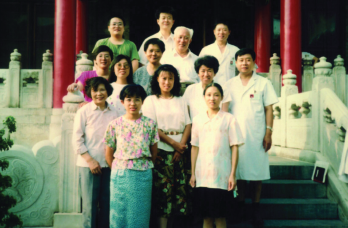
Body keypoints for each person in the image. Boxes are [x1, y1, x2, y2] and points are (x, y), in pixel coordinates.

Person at [222, 48, 278, 227]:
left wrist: (268, 131)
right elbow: (224, 109)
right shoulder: (229, 84)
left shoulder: (263, 83)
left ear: (254, 62)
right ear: (236, 63)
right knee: (238, 172)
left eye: (248, 60)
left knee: (256, 173)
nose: (244, 63)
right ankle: (239, 208)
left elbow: (269, 108)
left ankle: (255, 209)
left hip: (256, 134)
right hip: (235, 135)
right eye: (240, 60)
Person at [142, 64, 191, 228]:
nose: (167, 82)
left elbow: (188, 125)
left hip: (180, 151)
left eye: (171, 78)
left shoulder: (181, 100)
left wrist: (181, 146)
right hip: (161, 150)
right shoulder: (151, 100)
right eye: (164, 78)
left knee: (179, 192)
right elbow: (152, 126)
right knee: (163, 192)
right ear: (157, 79)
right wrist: (174, 144)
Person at [104, 84, 159, 228]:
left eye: (137, 99)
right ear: (122, 102)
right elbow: (109, 153)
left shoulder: (150, 124)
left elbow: (154, 151)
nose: (133, 103)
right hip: (120, 173)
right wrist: (119, 167)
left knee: (140, 213)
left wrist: (142, 164)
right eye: (129, 99)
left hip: (143, 173)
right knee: (119, 213)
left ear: (142, 101)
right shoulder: (115, 124)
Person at [190, 82, 243, 228]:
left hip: (222, 176)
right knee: (206, 217)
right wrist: (193, 173)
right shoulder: (198, 119)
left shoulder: (229, 119)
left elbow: (235, 147)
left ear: (221, 98)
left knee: (220, 217)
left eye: (216, 95)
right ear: (204, 97)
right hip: (203, 176)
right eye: (208, 95)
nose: (212, 98)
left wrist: (232, 174)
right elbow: (194, 147)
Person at [72, 77, 118, 228]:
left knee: (107, 204)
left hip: (110, 165)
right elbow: (77, 139)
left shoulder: (115, 112)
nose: (99, 93)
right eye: (95, 90)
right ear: (90, 93)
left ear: (108, 91)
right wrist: (90, 161)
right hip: (89, 165)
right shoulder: (84, 111)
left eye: (102, 89)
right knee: (89, 205)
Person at [199, 19, 239, 85]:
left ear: (229, 32)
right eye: (219, 30)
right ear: (214, 32)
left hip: (231, 87)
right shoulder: (206, 50)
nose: (221, 32)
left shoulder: (235, 50)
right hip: (211, 87)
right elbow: (199, 70)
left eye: (224, 30)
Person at [161, 26, 199, 95]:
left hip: (193, 93)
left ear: (190, 41)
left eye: (186, 38)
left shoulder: (197, 59)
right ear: (174, 39)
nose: (182, 41)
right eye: (180, 37)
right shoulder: (166, 57)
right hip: (172, 91)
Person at [183, 55, 220, 119]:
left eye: (209, 70)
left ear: (215, 73)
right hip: (195, 127)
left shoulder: (221, 90)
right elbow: (185, 113)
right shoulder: (190, 89)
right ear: (198, 73)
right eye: (203, 71)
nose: (206, 74)